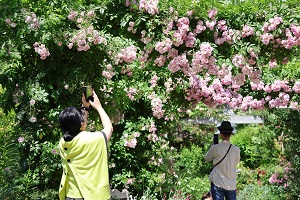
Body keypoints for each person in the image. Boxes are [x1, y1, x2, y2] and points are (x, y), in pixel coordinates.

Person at [58, 90, 113, 200]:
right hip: (93, 196)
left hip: (71, 195)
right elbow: (109, 128)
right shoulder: (94, 139)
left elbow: (80, 129)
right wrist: (99, 107)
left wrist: (85, 108)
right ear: (81, 124)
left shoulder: (63, 143)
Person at [205, 121, 240, 200]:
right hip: (231, 183)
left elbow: (207, 158)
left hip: (217, 182)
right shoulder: (236, 150)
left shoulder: (215, 148)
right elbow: (236, 163)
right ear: (231, 134)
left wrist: (212, 146)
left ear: (220, 134)